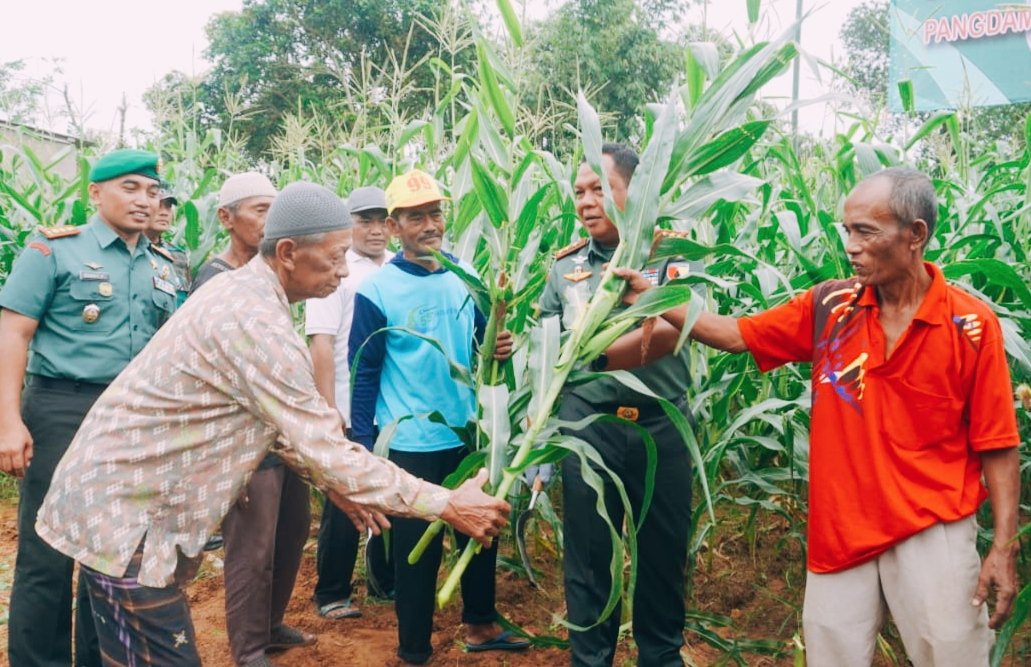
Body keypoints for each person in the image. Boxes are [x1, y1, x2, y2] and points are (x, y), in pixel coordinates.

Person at [33, 181, 511, 667]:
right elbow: (324, 445)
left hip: (118, 507)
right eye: (335, 257)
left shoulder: (247, 294)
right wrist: (447, 502)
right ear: (287, 252)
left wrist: (330, 481)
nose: (344, 272)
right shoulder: (255, 322)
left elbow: (282, 431)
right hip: (128, 520)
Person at [615, 168, 1021, 666]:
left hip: (931, 526)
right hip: (841, 528)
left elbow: (997, 443)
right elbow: (735, 334)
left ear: (916, 234)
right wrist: (655, 298)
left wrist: (1003, 546)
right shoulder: (832, 306)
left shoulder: (970, 326)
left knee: (951, 655)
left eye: (866, 231)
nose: (851, 245)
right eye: (847, 230)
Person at [0, 148, 177, 667]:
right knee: (47, 554)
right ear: (95, 193)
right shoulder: (55, 250)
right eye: (129, 187)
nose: (144, 200)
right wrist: (8, 420)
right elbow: (13, 332)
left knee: (109, 551)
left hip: (132, 416)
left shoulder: (163, 265)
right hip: (62, 407)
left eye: (152, 190)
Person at [349, 169, 529, 665]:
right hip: (409, 441)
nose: (430, 224)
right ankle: (413, 649)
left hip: (467, 430)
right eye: (415, 216)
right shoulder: (377, 290)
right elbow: (364, 373)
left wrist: (500, 347)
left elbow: (480, 350)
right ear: (393, 226)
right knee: (418, 554)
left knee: (481, 531)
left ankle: (481, 623)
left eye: (435, 213)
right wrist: (363, 448)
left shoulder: (465, 277)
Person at [538, 143, 695, 666]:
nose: (586, 202)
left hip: (662, 428)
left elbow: (669, 332)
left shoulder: (673, 256)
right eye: (578, 192)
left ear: (634, 192)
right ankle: (590, 660)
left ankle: (660, 658)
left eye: (599, 190)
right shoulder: (564, 267)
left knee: (662, 556)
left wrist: (588, 357)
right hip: (588, 430)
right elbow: (544, 347)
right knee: (589, 559)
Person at [307, 185, 395, 620]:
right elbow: (321, 343)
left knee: (388, 494)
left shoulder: (401, 266)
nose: (376, 230)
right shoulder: (338, 270)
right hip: (344, 402)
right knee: (344, 499)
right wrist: (328, 407)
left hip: (390, 408)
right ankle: (332, 592)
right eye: (365, 221)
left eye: (382, 221)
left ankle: (383, 583)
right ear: (349, 225)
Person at [191, 171, 277, 292]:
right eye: (261, 211)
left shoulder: (269, 274)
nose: (271, 220)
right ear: (225, 217)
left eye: (274, 211)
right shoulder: (214, 279)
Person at [145, 187, 192, 305]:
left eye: (168, 207)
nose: (164, 212)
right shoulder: (129, 251)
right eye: (158, 205)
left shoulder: (178, 256)